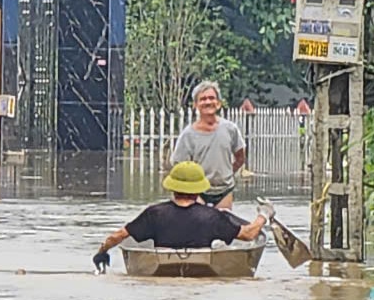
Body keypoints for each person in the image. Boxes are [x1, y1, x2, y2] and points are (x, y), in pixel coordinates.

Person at [92, 162, 273, 270]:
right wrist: (264, 215)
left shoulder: (154, 214)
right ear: (198, 190)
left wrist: (102, 252)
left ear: (172, 187)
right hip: (202, 269)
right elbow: (249, 234)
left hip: (160, 270)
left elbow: (118, 236)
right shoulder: (213, 217)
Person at [171, 80, 246, 209]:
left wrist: (227, 173)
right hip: (197, 193)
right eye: (203, 99)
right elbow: (178, 167)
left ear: (218, 103)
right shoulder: (188, 135)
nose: (208, 102)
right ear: (196, 105)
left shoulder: (230, 129)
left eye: (211, 98)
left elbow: (240, 157)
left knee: (223, 226)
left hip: (224, 190)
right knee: (200, 225)